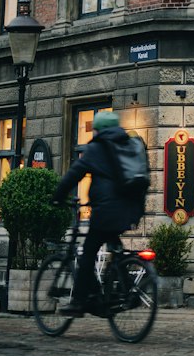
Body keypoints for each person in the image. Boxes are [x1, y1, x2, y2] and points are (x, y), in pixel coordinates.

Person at [52, 110, 141, 316]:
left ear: (99, 129)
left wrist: (58, 196)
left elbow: (74, 173)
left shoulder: (97, 148)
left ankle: (80, 302)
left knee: (88, 254)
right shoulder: (127, 144)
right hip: (131, 208)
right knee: (115, 248)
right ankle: (128, 291)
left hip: (106, 211)